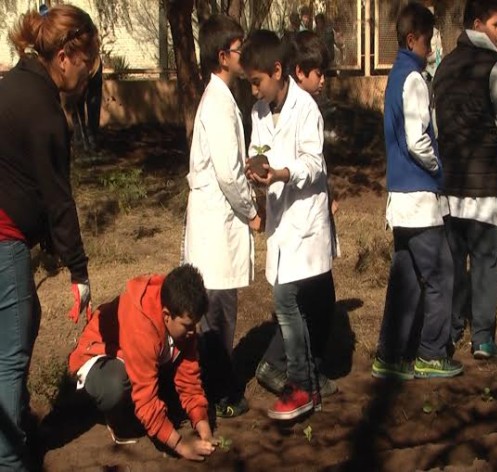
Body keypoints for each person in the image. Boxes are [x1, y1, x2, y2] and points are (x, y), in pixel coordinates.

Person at [0, 5, 98, 469]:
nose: (88, 73)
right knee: (12, 354)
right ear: (64, 56)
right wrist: (79, 271)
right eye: (87, 62)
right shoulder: (43, 112)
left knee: (21, 322)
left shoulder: (14, 85)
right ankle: (10, 457)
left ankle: (18, 426)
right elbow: (59, 199)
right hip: (3, 236)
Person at [240, 29, 333, 420]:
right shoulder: (258, 113)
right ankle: (309, 377)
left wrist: (281, 173)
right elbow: (258, 151)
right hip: (280, 223)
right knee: (299, 302)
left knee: (284, 300)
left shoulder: (306, 109)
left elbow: (314, 163)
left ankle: (301, 385)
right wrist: (255, 169)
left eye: (257, 82)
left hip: (304, 221)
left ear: (278, 71)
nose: (254, 90)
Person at [369, 3, 463, 381]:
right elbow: (417, 139)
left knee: (406, 280)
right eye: (429, 41)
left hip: (402, 198)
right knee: (441, 276)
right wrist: (439, 169)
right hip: (419, 198)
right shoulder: (413, 79)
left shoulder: (397, 76)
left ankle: (390, 356)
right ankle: (430, 353)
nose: (432, 48)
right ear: (413, 40)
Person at [183, 14, 262, 419]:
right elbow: (229, 174)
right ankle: (221, 393)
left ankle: (217, 387)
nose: (244, 55)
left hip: (216, 223)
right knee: (217, 313)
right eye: (238, 49)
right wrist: (252, 212)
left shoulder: (222, 99)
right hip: (218, 226)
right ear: (222, 56)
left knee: (218, 310)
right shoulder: (217, 103)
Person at [432, 0, 497, 359]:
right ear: (478, 24)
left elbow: (434, 125)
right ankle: (482, 337)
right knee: (484, 260)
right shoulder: (492, 68)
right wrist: (492, 147)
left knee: (453, 259)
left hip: (450, 183)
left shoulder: (444, 67)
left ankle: (450, 330)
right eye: (496, 24)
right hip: (481, 186)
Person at [68, 265, 216, 462]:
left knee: (201, 351)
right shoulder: (142, 327)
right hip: (100, 356)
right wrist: (181, 446)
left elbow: (189, 377)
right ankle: (118, 420)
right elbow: (146, 400)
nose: (193, 331)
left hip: (141, 356)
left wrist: (203, 427)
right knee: (114, 385)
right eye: (188, 326)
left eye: (195, 324)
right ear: (166, 315)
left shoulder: (180, 307)